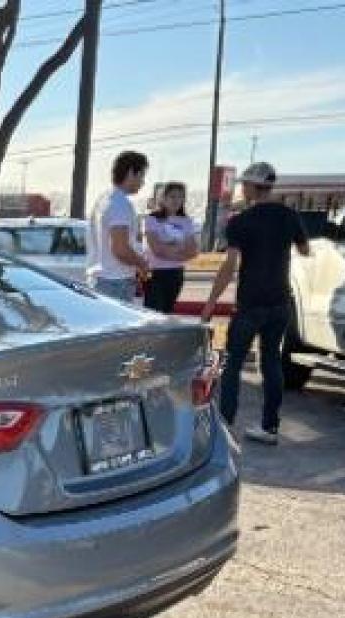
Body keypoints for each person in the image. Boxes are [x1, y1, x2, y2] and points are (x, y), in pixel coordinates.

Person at [201, 162, 311, 445]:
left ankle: (225, 427)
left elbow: (230, 264)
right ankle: (270, 427)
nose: (242, 189)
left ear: (251, 186)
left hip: (250, 303)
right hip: (280, 301)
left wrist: (211, 302)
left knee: (233, 364)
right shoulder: (289, 215)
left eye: (244, 184)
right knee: (272, 360)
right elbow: (305, 250)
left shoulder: (240, 222)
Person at [86, 150, 151, 303]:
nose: (143, 182)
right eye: (141, 175)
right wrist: (142, 264)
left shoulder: (104, 199)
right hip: (116, 282)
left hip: (101, 279)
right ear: (130, 173)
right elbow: (120, 249)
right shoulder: (120, 204)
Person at [142, 182, 198, 314]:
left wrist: (168, 248)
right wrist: (180, 249)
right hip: (155, 274)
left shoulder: (186, 221)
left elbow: (193, 251)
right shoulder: (152, 219)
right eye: (172, 196)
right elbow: (156, 249)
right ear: (163, 198)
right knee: (153, 314)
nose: (176, 200)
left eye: (180, 197)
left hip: (176, 274)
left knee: (167, 313)